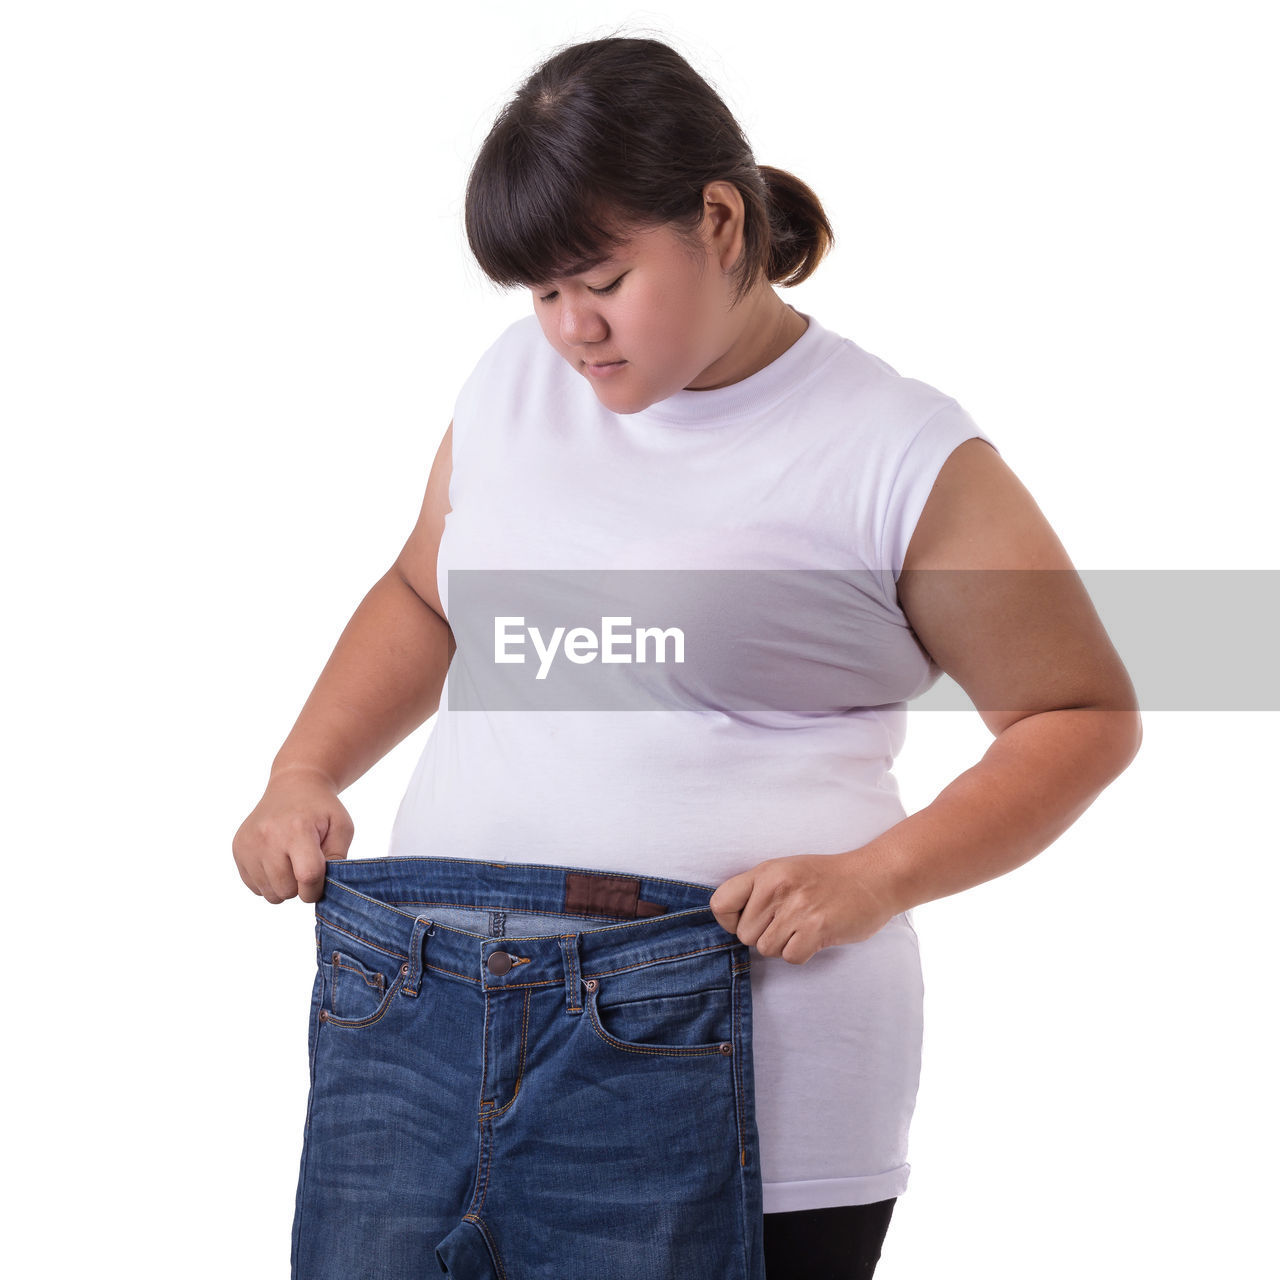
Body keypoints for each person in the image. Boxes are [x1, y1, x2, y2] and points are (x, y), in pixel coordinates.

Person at [233, 33, 1142, 1280]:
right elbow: (422, 595)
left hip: (737, 1047)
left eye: (599, 278)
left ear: (719, 220)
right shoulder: (511, 385)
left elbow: (1076, 710)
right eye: (540, 294)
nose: (569, 328)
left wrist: (875, 876)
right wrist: (303, 767)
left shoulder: (893, 449)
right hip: (422, 1018)